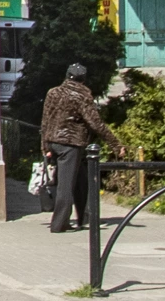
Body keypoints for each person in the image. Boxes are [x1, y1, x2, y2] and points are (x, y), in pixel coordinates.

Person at [40, 61, 122, 234]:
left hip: (54, 142)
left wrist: (45, 146)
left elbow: (46, 120)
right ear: (83, 79)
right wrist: (115, 144)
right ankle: (59, 224)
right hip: (71, 144)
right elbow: (96, 123)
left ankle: (85, 217)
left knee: (81, 180)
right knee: (66, 185)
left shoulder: (52, 92)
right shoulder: (82, 96)